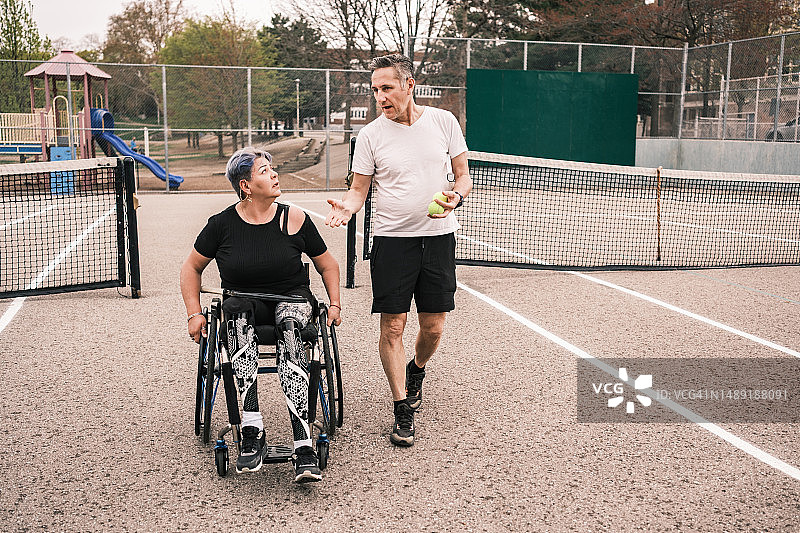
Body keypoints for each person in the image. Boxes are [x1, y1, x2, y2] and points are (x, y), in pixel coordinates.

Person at [325, 53, 472, 447]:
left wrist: (456, 197)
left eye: (386, 88)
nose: (380, 97)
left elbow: (463, 176)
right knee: (392, 326)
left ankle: (417, 368)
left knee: (434, 327)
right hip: (391, 242)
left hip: (438, 240)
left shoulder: (444, 122)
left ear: (409, 85)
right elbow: (358, 190)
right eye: (375, 90)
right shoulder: (371, 135)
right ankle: (401, 407)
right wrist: (347, 207)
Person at [181, 146, 342, 482]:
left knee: (290, 326)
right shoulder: (221, 225)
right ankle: (252, 428)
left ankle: (303, 444)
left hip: (291, 296)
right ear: (246, 185)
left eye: (273, 169)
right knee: (236, 315)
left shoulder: (294, 218)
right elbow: (191, 268)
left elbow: (327, 264)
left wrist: (335, 304)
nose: (274, 175)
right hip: (245, 299)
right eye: (265, 171)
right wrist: (194, 313)